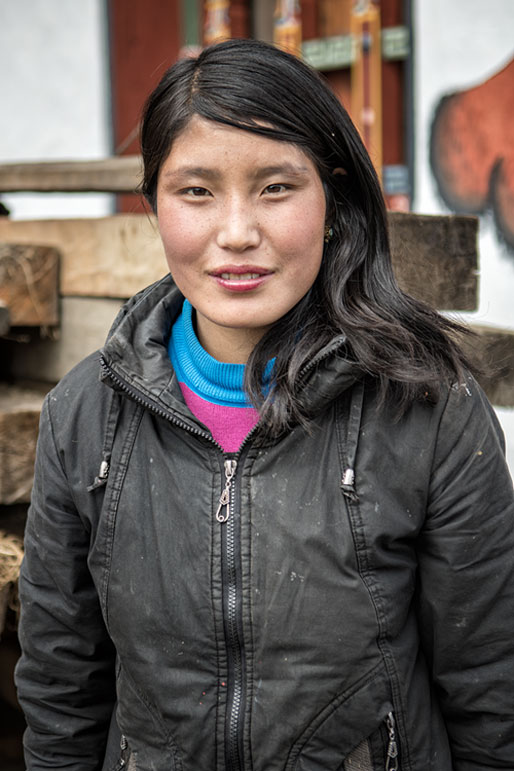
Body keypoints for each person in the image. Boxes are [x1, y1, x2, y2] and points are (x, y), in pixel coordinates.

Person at [15, 38, 514, 771]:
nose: (238, 232)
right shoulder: (83, 416)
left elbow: (490, 688)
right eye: (196, 191)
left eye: (276, 187)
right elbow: (62, 692)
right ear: (154, 206)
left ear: (333, 199)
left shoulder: (429, 407)